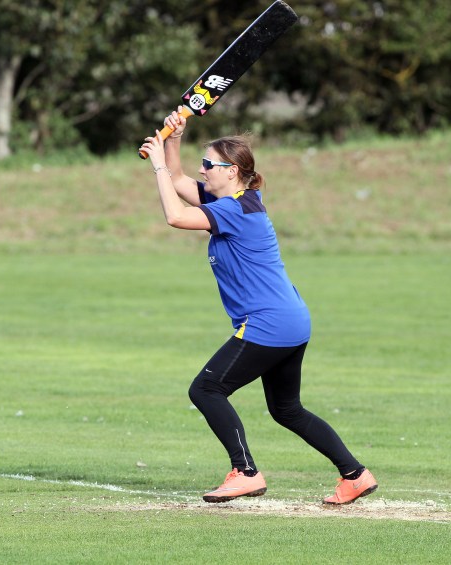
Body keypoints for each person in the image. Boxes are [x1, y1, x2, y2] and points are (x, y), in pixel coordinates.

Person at [138, 108, 377, 505]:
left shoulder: (233, 210)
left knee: (206, 389)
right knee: (287, 409)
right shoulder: (236, 201)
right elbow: (179, 182)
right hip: (291, 320)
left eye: (208, 165)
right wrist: (175, 138)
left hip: (269, 323)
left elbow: (175, 216)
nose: (202, 170)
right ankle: (355, 475)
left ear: (231, 171)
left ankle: (245, 472)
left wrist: (158, 163)